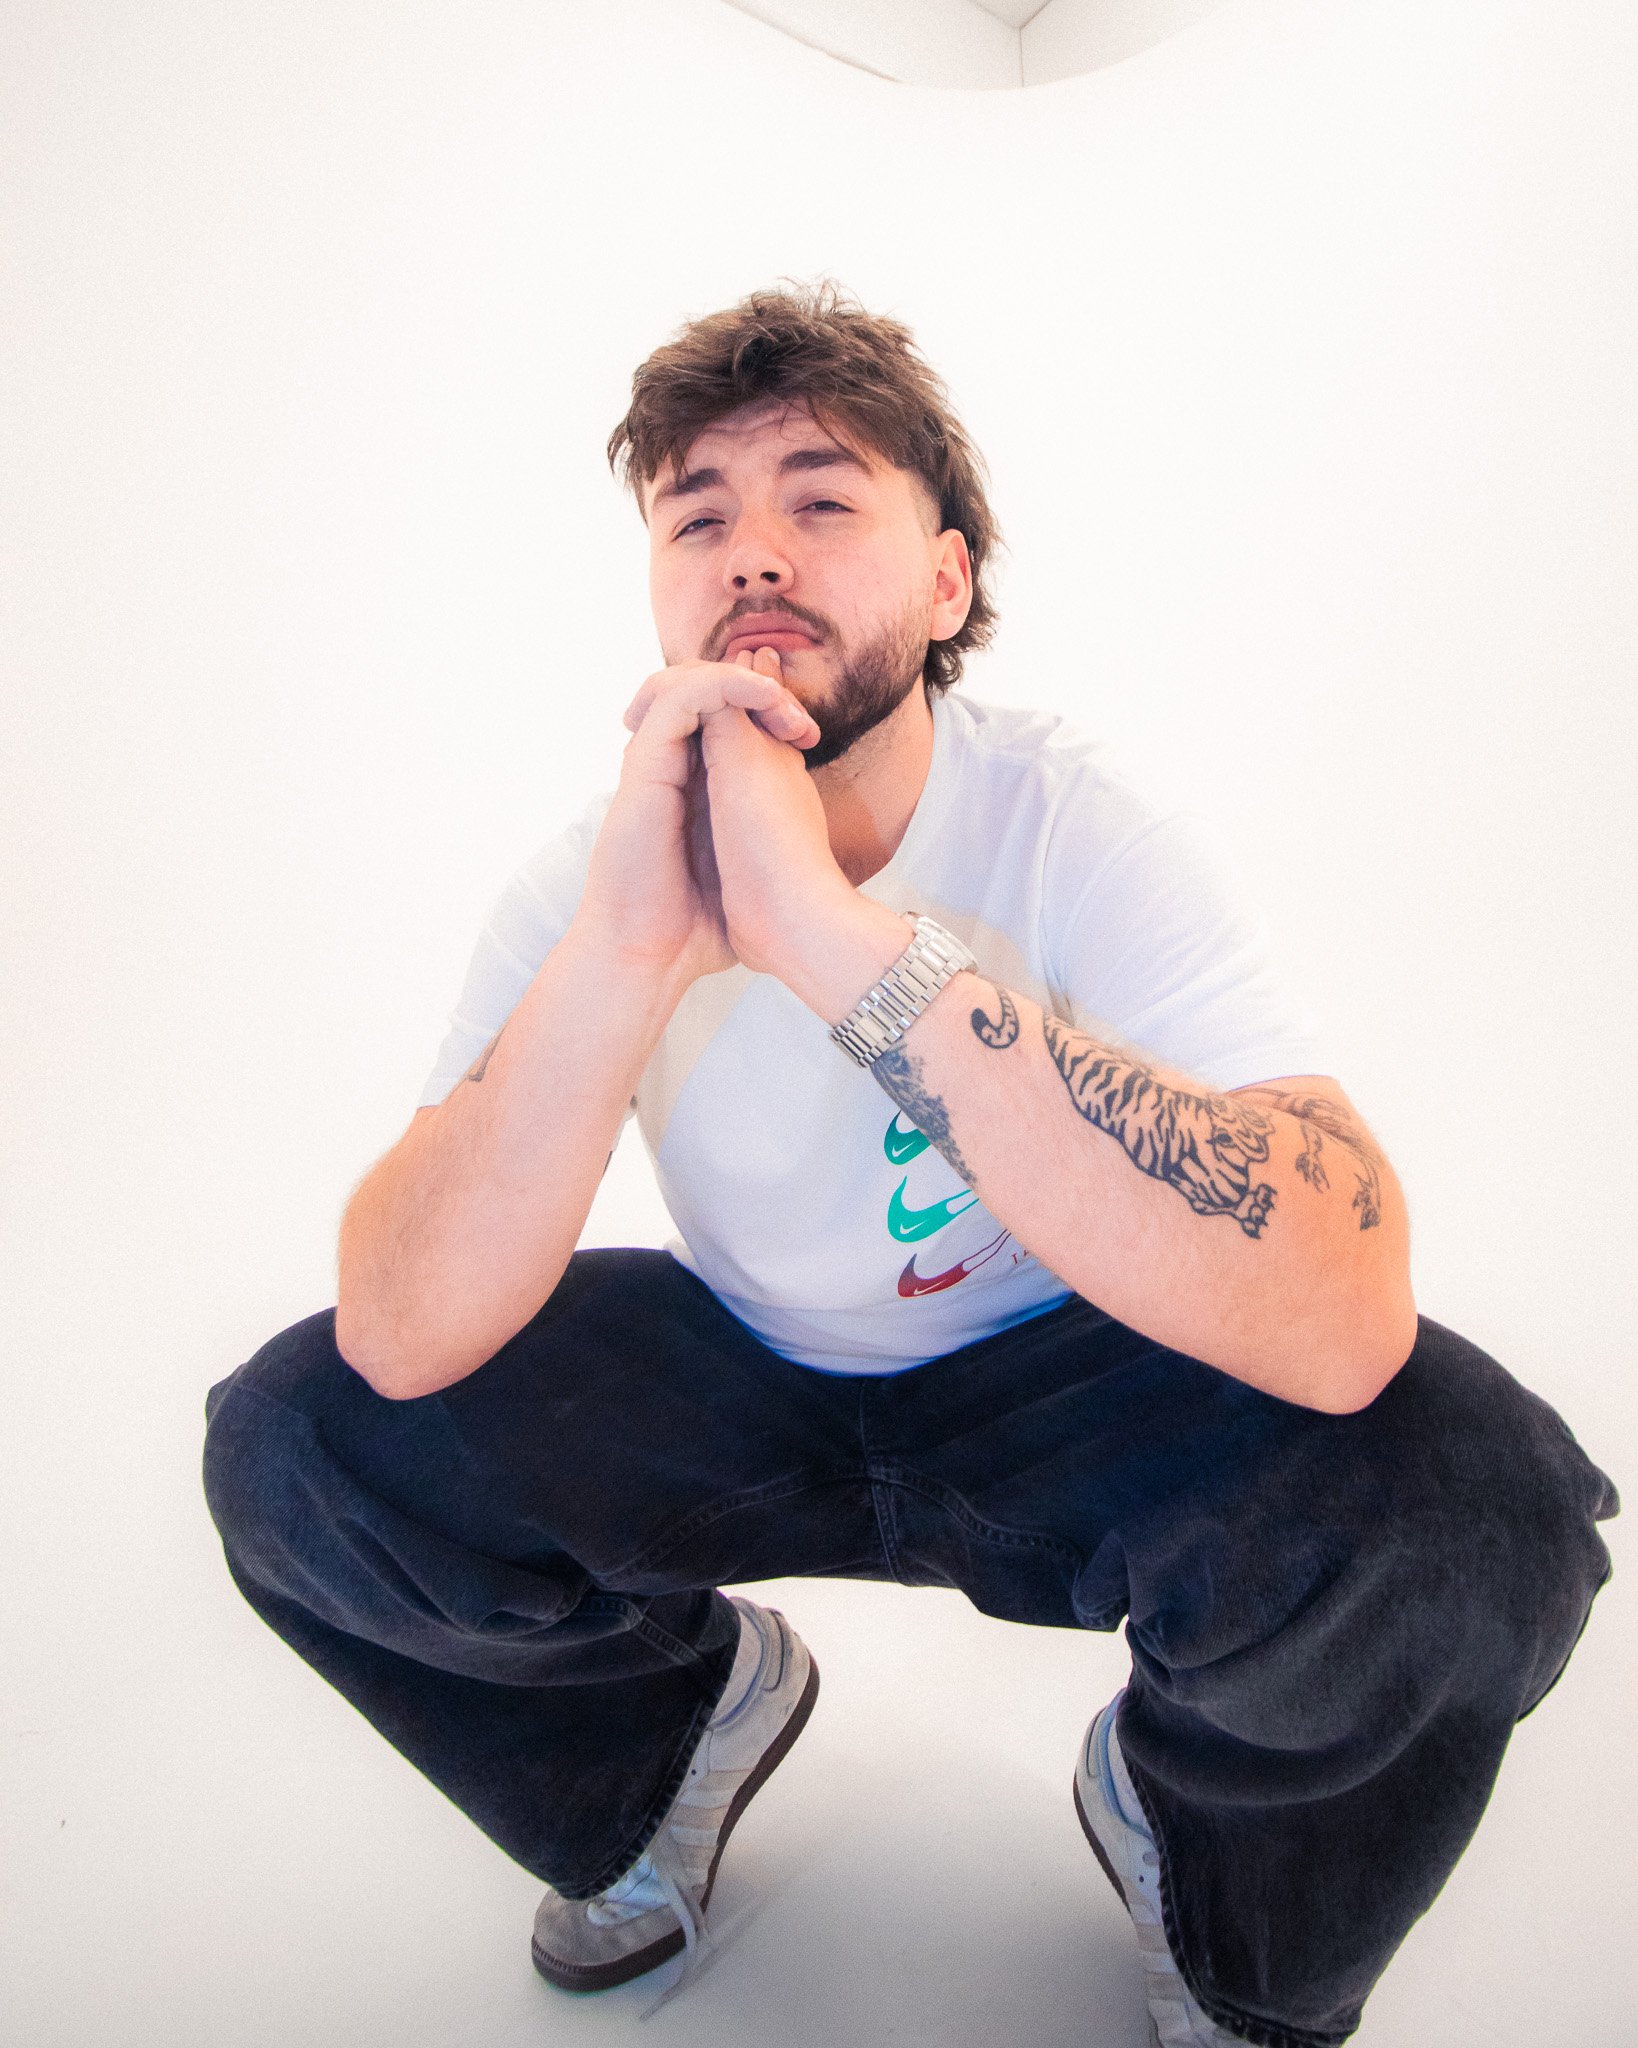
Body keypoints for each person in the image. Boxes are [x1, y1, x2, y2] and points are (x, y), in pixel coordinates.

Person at [202, 280, 1618, 2046]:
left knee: (1469, 1503)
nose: (752, 555)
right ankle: (667, 1749)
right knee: (298, 1445)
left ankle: (1200, 1845)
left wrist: (828, 936)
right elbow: (399, 1338)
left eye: (820, 498)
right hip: (750, 1374)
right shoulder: (586, 883)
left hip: (1075, 1378)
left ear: (945, 582)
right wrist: (632, 956)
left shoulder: (1077, 827)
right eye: (696, 517)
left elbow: (1340, 1317)